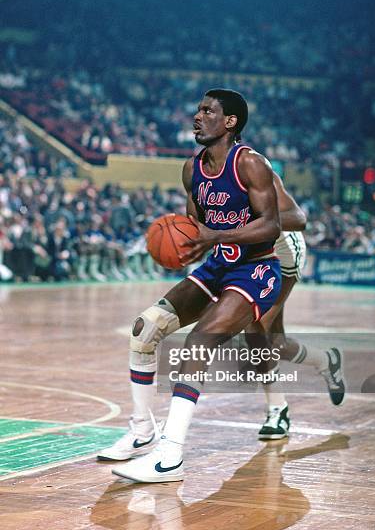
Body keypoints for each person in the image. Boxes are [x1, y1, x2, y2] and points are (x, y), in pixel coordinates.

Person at [99, 89, 283, 483]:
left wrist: (214, 236)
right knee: (145, 328)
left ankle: (170, 457)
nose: (197, 117)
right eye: (198, 110)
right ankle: (141, 431)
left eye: (207, 111)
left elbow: (272, 224)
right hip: (218, 266)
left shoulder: (249, 163)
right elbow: (193, 230)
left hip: (256, 270)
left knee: (198, 342)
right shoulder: (191, 169)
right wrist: (182, 249)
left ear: (229, 121)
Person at [247, 176, 345, 441]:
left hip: (283, 250)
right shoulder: (201, 174)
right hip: (251, 248)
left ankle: (277, 410)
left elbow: (296, 217)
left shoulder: (250, 165)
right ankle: (326, 361)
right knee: (274, 342)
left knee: (257, 329)